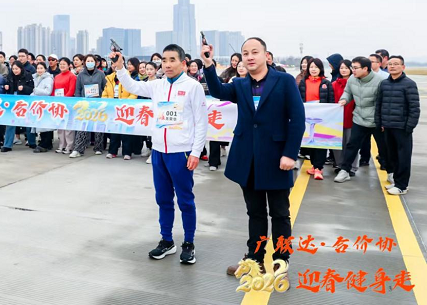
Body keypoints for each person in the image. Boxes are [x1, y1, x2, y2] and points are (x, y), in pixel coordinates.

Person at [202, 38, 305, 276]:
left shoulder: (284, 81)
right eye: (245, 53)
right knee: (255, 213)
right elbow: (217, 91)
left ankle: (281, 260)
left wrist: (290, 154)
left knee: (280, 213)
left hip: (277, 158)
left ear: (266, 55)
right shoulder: (239, 84)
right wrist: (208, 64)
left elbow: (297, 119)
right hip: (247, 159)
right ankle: (255, 259)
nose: (249, 57)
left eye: (254, 52)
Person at [113, 44, 207, 265]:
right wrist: (120, 68)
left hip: (181, 153)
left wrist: (195, 152)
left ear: (183, 63)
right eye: (164, 60)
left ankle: (189, 243)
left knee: (185, 200)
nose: (167, 64)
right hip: (159, 152)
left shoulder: (193, 87)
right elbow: (133, 85)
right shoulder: (157, 85)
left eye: (172, 60)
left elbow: (201, 122)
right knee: (163, 199)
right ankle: (167, 240)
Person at [334, 56, 388, 182]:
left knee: (384, 147)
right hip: (359, 117)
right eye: (352, 67)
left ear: (365, 69)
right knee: (352, 145)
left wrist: (383, 121)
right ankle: (345, 170)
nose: (352, 70)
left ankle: (390, 172)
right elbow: (348, 92)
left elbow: (384, 102)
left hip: (375, 119)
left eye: (355, 68)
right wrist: (344, 100)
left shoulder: (380, 80)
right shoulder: (352, 79)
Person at [376, 56, 420, 195]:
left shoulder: (409, 84)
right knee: (392, 156)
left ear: (403, 67)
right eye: (390, 64)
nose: (392, 66)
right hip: (387, 126)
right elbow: (379, 104)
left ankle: (402, 186)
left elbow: (414, 108)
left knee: (403, 157)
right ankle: (396, 182)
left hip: (402, 128)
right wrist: (379, 122)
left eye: (396, 64)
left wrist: (409, 126)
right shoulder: (384, 84)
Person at [297, 58, 334, 180]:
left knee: (321, 142)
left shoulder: (326, 83)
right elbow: (299, 98)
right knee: (310, 142)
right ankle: (314, 165)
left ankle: (319, 168)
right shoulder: (303, 82)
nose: (313, 69)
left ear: (320, 69)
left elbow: (331, 100)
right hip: (307, 116)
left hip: (322, 117)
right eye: (311, 67)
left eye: (316, 67)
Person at [73, 54, 107, 156]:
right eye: (88, 61)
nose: (90, 63)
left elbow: (105, 88)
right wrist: (78, 102)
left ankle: (98, 148)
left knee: (98, 127)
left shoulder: (101, 74)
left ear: (96, 63)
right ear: (84, 63)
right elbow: (78, 89)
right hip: (85, 104)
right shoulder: (81, 75)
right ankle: (78, 149)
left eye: (92, 61)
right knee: (82, 127)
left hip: (98, 104)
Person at [331, 60, 359, 175]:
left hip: (352, 117)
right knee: (337, 144)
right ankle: (340, 165)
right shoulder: (334, 84)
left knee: (351, 143)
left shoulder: (356, 83)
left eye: (346, 68)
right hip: (336, 118)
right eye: (341, 68)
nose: (343, 70)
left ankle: (352, 167)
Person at [2, 61, 35, 152]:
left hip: (25, 103)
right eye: (13, 69)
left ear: (21, 68)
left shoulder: (28, 75)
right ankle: (7, 145)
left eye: (16, 69)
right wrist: (6, 87)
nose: (15, 71)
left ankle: (32, 142)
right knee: (10, 123)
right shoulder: (10, 76)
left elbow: (32, 89)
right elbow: (6, 88)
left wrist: (24, 88)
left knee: (28, 123)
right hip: (13, 103)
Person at [51, 58, 77, 156]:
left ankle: (69, 146)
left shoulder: (72, 76)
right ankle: (61, 145)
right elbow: (54, 90)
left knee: (68, 127)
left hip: (68, 104)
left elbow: (71, 90)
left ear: (69, 65)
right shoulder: (57, 76)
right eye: (60, 64)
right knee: (60, 126)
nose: (62, 66)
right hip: (59, 104)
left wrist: (64, 100)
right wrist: (54, 100)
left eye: (64, 64)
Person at [31, 62, 55, 153]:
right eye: (38, 68)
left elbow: (48, 91)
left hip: (46, 104)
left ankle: (45, 144)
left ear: (45, 69)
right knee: (41, 125)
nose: (39, 70)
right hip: (38, 105)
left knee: (46, 126)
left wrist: (36, 91)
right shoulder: (36, 78)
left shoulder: (48, 79)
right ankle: (45, 143)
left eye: (41, 68)